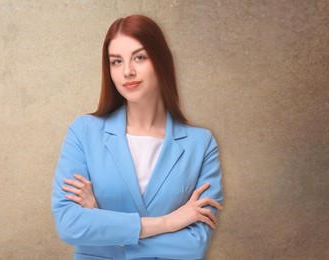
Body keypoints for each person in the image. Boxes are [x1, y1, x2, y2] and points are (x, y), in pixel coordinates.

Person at [51, 14, 223, 260]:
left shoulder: (201, 144)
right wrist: (168, 222)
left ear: (161, 61)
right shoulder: (84, 132)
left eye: (139, 57)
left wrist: (103, 226)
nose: (128, 71)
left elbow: (193, 246)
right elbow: (69, 225)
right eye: (116, 61)